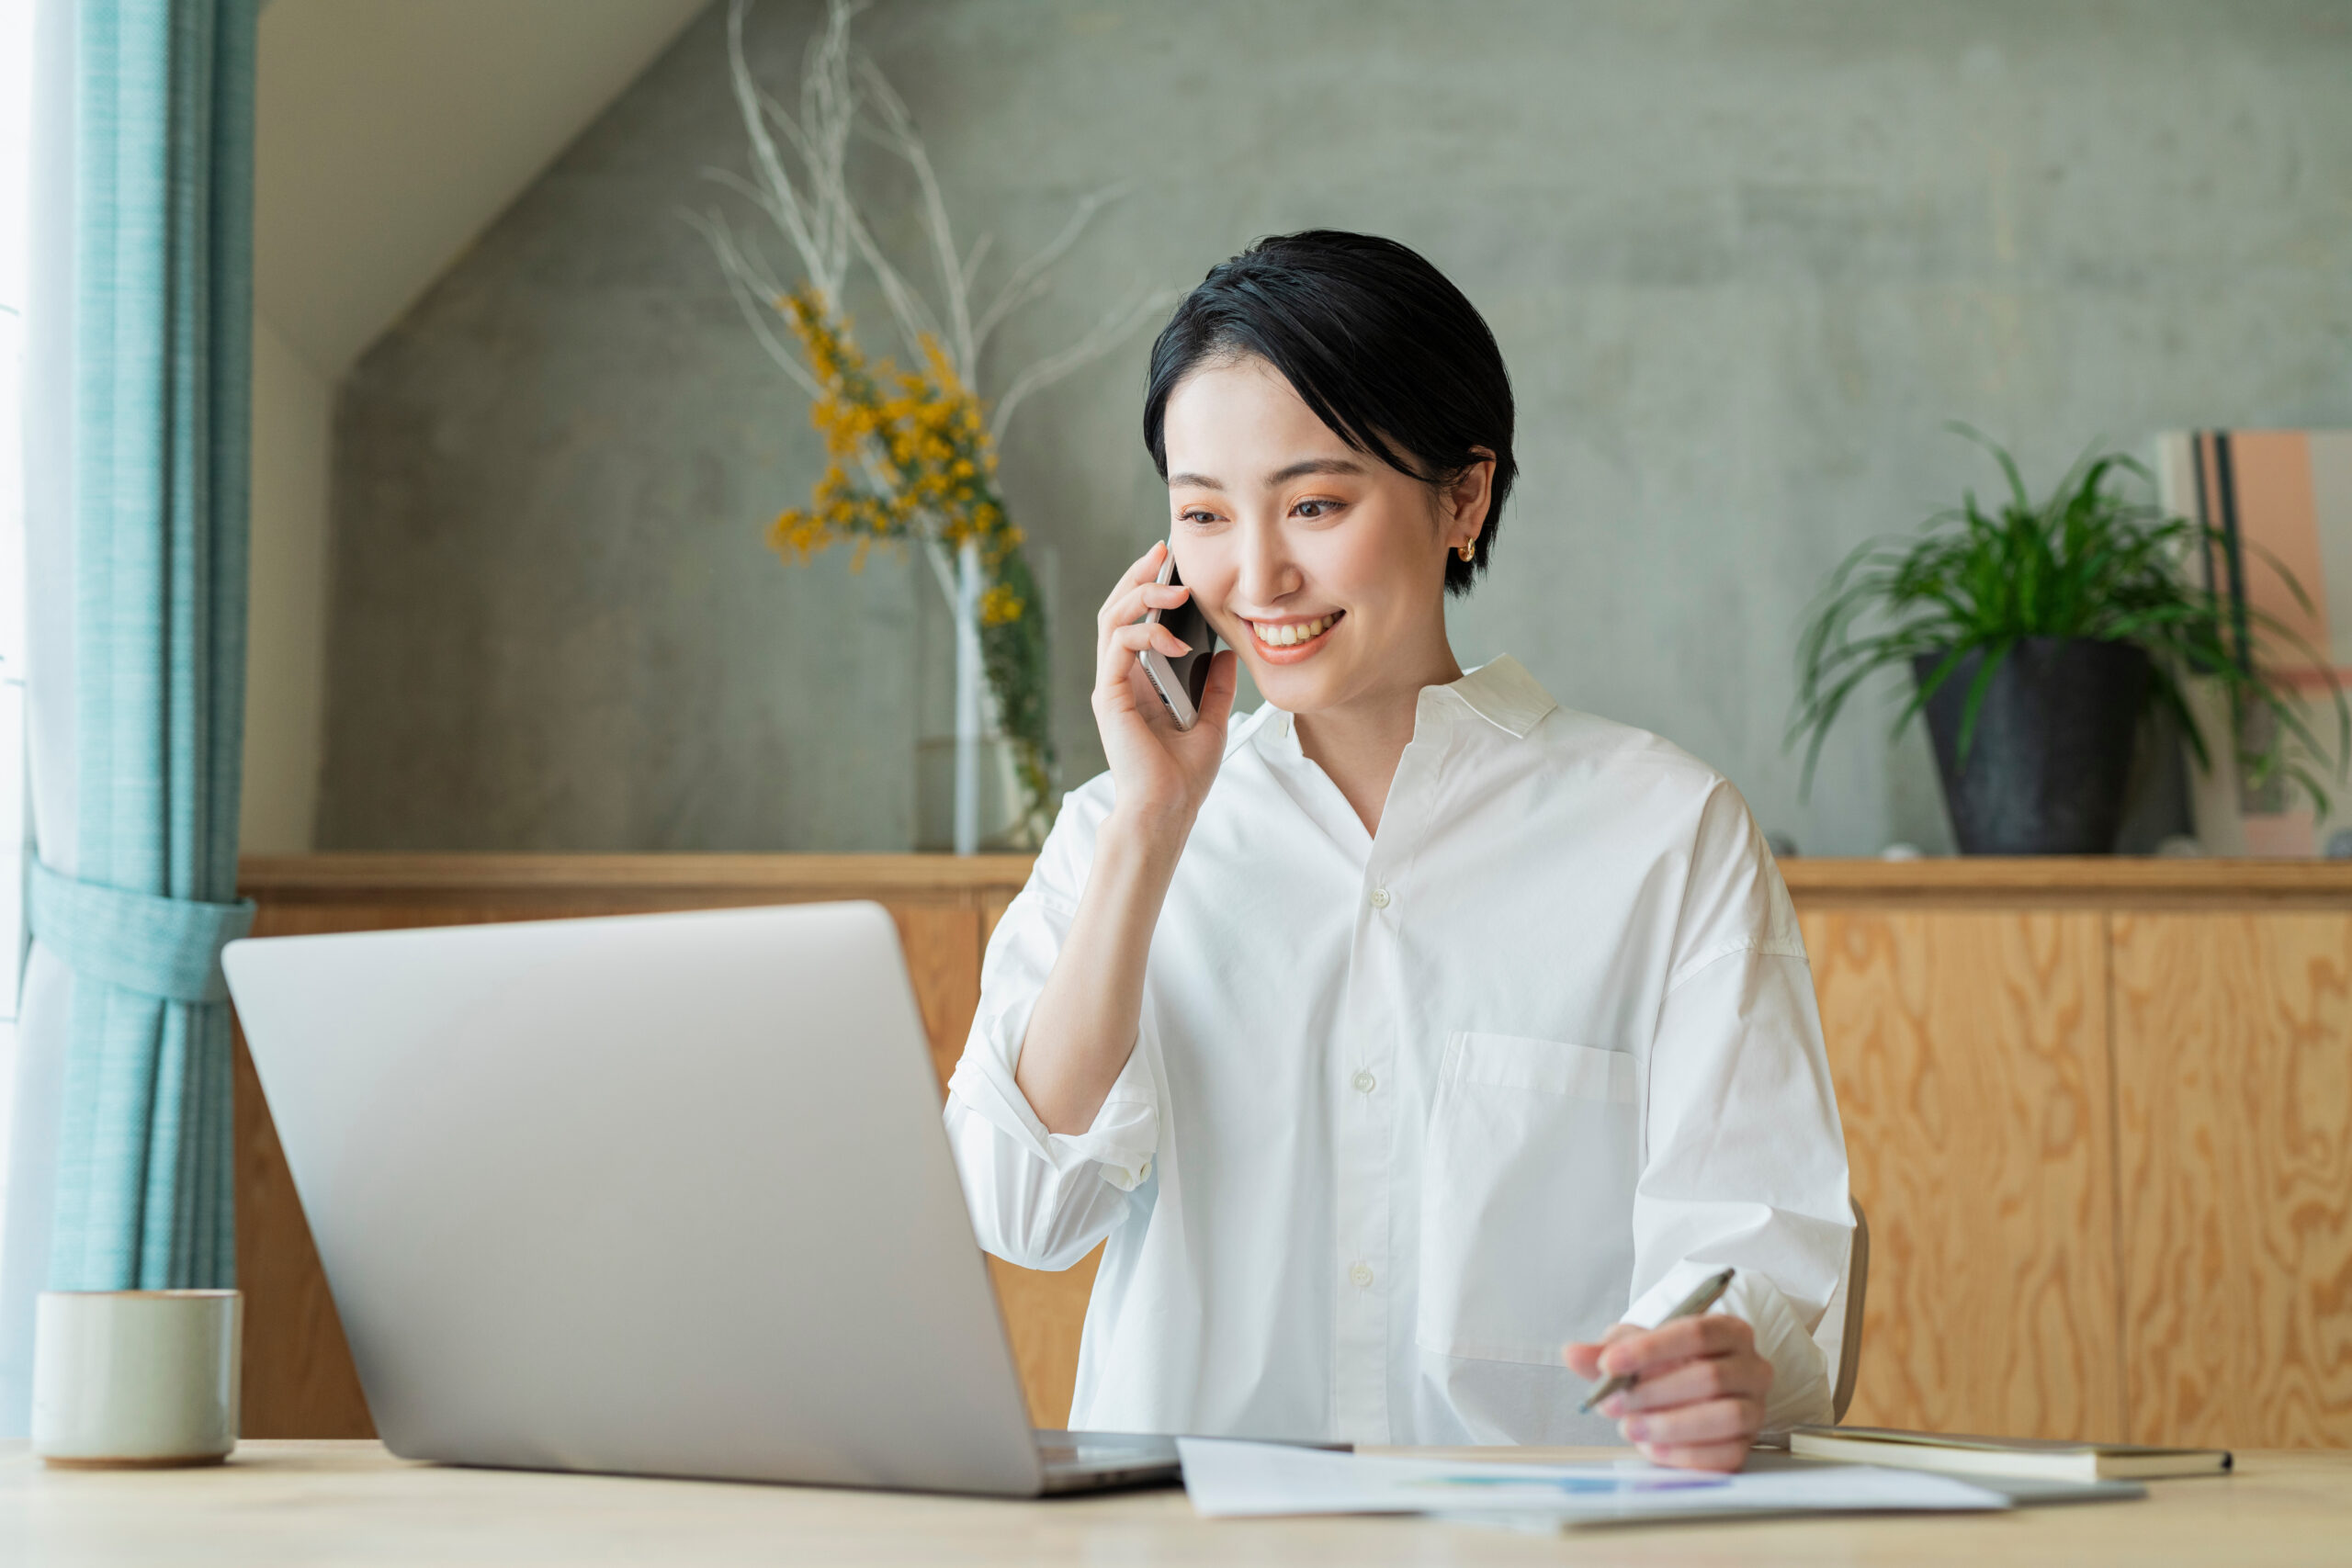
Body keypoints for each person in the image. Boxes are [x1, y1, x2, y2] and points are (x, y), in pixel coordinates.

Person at [943, 231, 1851, 1472]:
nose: (1256, 574)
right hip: (1190, 1549)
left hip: (1541, 1551)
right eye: (1204, 514)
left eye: (1314, 504)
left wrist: (1732, 1360)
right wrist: (1153, 823)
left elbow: (1762, 1252)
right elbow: (1022, 1210)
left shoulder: (1663, 830)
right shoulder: (1115, 833)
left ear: (1463, 498)